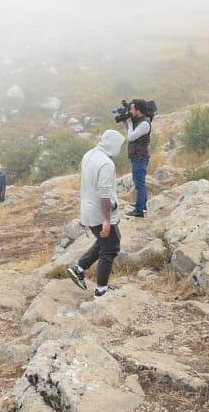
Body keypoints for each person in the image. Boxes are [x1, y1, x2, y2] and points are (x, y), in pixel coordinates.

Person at [66, 130, 125, 298]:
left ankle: (79, 268)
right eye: (119, 146)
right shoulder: (106, 163)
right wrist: (106, 220)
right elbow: (104, 193)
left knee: (105, 241)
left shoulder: (90, 154)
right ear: (113, 145)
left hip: (88, 209)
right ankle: (101, 290)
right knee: (110, 249)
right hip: (100, 213)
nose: (119, 150)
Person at [123, 100, 154, 218]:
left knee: (139, 183)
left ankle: (139, 210)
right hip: (137, 156)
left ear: (138, 111)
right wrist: (126, 123)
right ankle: (142, 205)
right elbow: (130, 133)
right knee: (139, 182)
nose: (130, 111)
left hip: (140, 157)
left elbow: (131, 137)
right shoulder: (139, 122)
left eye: (131, 109)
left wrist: (130, 125)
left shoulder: (145, 124)